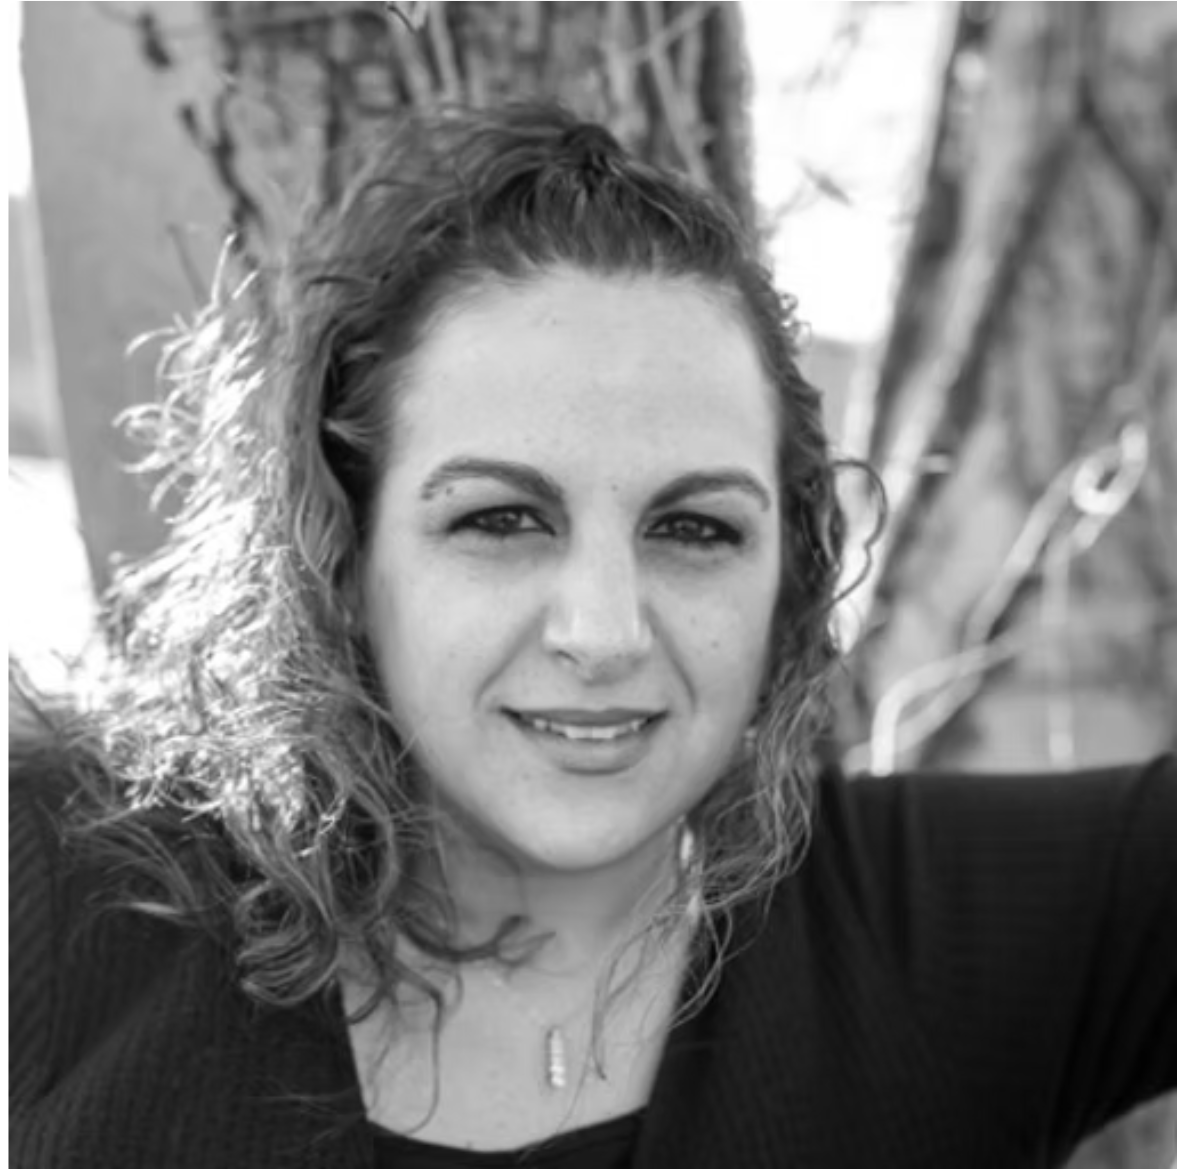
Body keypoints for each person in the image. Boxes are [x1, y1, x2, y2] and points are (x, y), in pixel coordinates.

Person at [8, 103, 1173, 1169]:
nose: (603, 632)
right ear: (344, 559)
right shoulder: (52, 903)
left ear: (789, 577)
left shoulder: (941, 942)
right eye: (500, 520)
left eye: (693, 529)